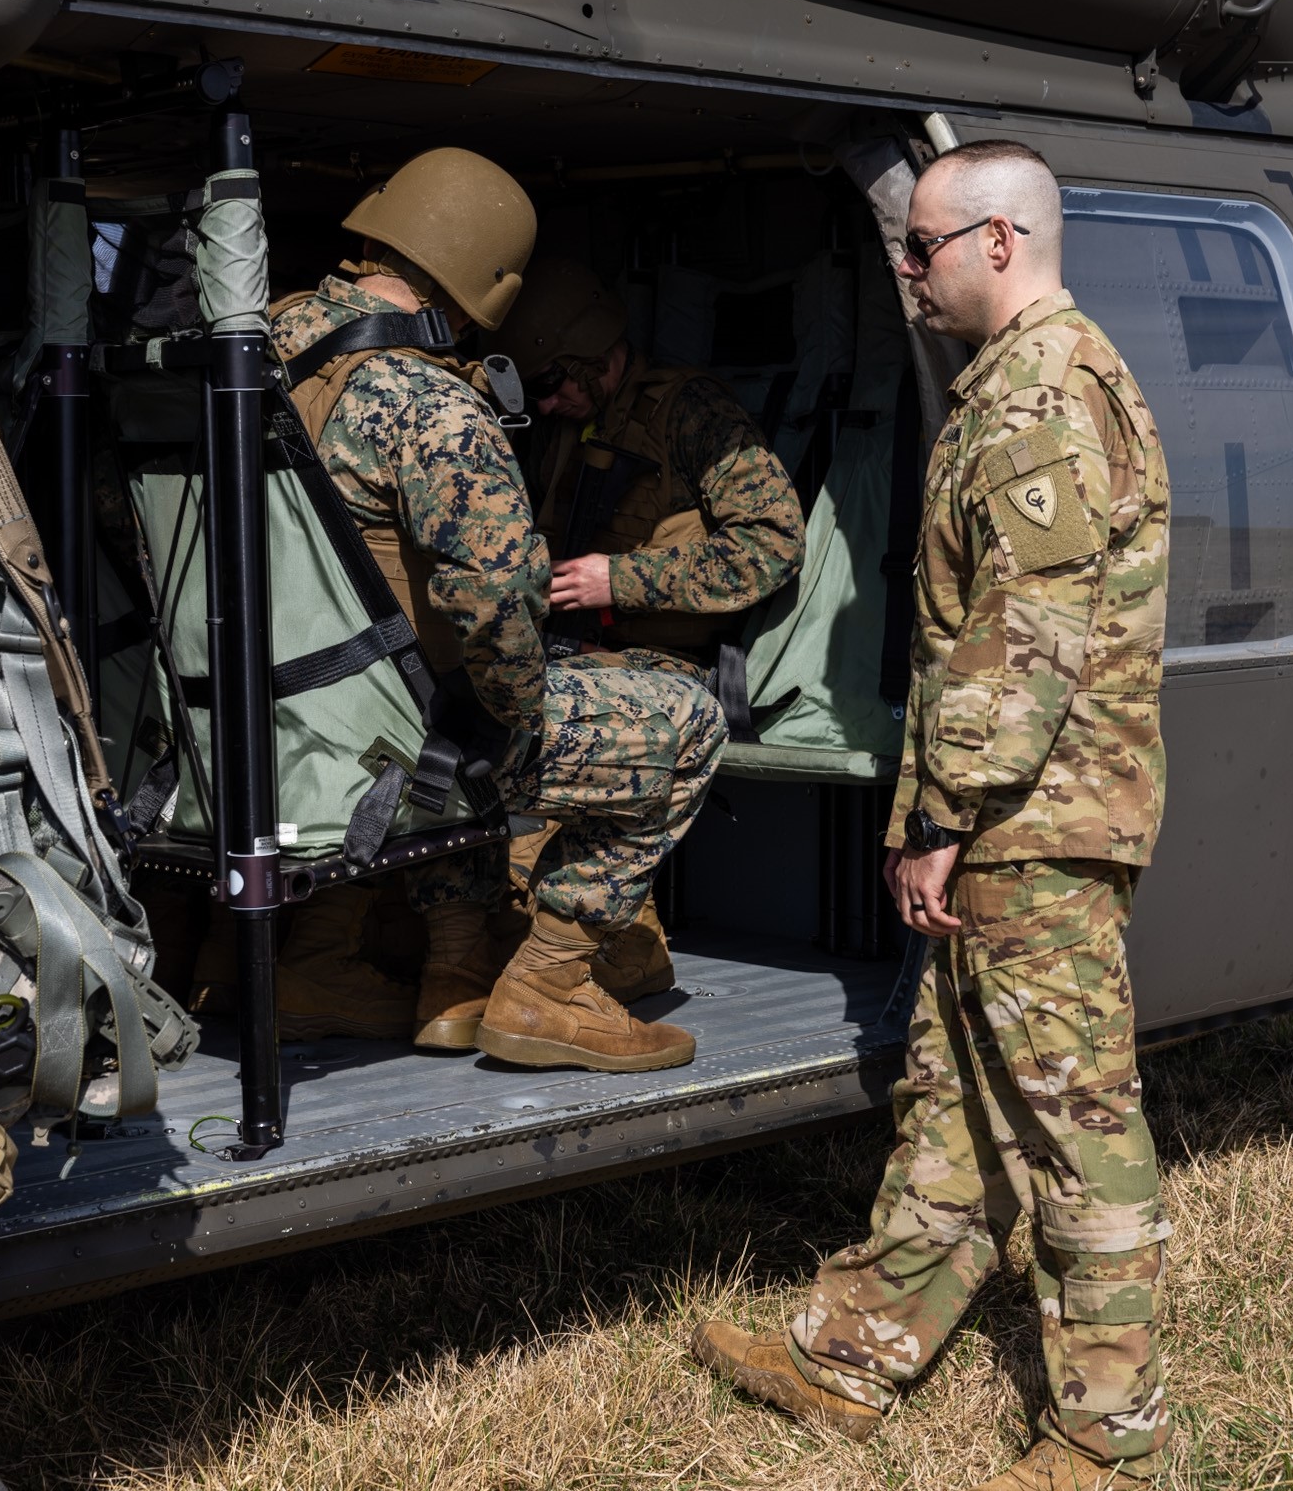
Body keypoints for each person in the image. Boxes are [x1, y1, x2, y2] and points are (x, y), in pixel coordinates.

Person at [691, 140, 1172, 1491]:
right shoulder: (1011, 385)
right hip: (1010, 817)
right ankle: (853, 1351)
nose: (904, 274)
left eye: (924, 250)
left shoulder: (1039, 400)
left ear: (1000, 244)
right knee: (954, 1093)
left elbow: (1025, 646)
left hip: (1036, 825)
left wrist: (942, 817)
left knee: (1072, 1123)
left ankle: (1105, 1430)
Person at [267, 148, 727, 1067]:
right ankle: (549, 989)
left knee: (456, 695)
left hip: (247, 731)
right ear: (486, 282)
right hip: (376, 746)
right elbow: (496, 595)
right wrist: (508, 718)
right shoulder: (430, 405)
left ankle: (436, 972)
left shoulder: (241, 362)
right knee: (684, 715)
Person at [490, 257, 806, 998]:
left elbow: (772, 546)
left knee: (553, 757)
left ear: (596, 357)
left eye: (554, 384)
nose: (548, 403)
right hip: (576, 652)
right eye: (534, 391)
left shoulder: (690, 410)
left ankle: (598, 957)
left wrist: (619, 578)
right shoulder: (565, 423)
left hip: (672, 665)